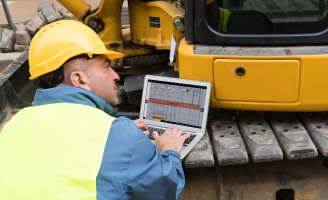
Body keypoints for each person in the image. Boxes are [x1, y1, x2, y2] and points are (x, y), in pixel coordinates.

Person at [0, 20, 190, 200]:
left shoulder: (13, 125)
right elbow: (166, 186)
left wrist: (114, 135)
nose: (116, 75)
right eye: (106, 66)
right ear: (79, 79)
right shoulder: (120, 136)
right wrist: (169, 149)